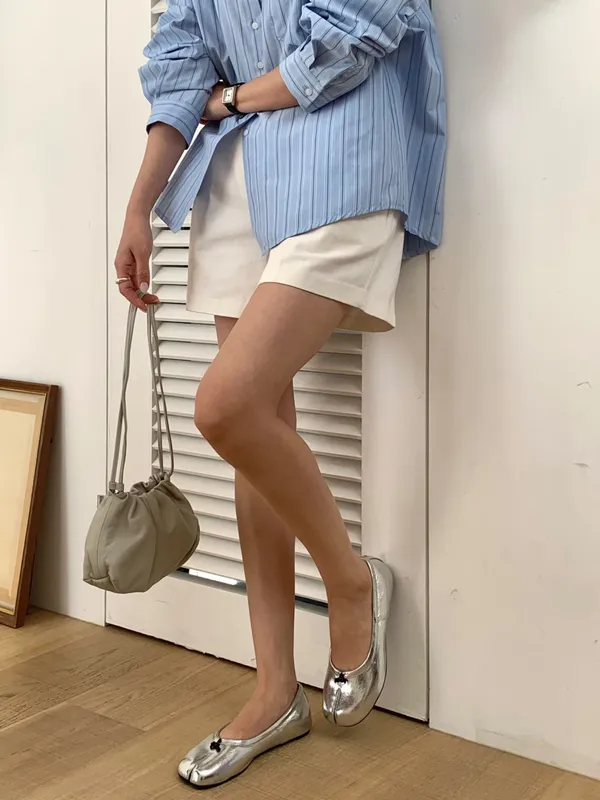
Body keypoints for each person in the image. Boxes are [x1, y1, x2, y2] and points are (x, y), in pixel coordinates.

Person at [115, 0, 445, 788]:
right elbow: (180, 64)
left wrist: (231, 97)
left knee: (225, 405)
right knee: (253, 427)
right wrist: (137, 208)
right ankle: (274, 692)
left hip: (342, 148)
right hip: (236, 174)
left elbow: (353, 35)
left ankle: (350, 581)